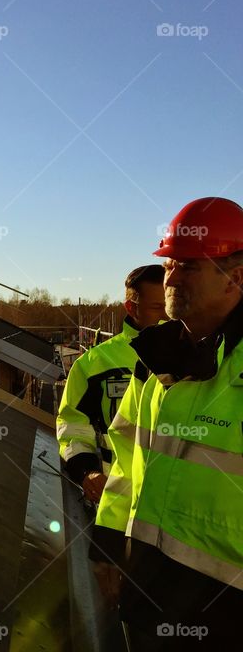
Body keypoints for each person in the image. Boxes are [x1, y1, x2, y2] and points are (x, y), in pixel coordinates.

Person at [91, 197, 243, 649]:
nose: (171, 278)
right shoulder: (154, 359)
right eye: (171, 264)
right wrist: (107, 546)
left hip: (226, 614)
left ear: (235, 278)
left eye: (189, 267)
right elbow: (125, 462)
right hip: (148, 595)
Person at [56, 265, 166, 502]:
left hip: (181, 503)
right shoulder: (94, 364)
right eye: (158, 307)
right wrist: (87, 471)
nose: (168, 315)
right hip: (121, 498)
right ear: (131, 307)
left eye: (171, 304)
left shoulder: (204, 357)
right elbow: (73, 425)